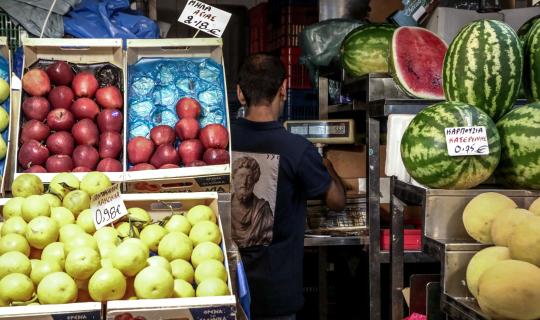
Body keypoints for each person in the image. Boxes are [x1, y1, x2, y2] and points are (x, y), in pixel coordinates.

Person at [231, 53, 346, 320]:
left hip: (222, 282)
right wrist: (326, 166)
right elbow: (337, 201)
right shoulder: (298, 150)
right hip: (277, 294)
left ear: (239, 93)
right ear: (283, 89)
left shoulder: (220, 141)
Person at [232, 155, 274, 248]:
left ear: (255, 180)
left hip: (257, 255)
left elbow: (267, 237)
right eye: (241, 176)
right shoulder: (224, 205)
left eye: (249, 177)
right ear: (233, 178)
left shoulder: (263, 210)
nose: (244, 182)